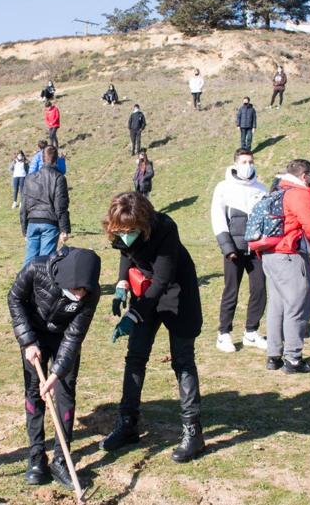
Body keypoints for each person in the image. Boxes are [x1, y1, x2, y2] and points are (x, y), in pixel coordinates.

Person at [100, 192, 205, 463]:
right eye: (119, 232)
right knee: (135, 356)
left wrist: (133, 315)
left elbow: (162, 281)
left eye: (131, 231)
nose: (125, 237)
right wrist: (122, 284)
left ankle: (193, 432)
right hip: (145, 291)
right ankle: (127, 424)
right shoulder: (125, 233)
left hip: (176, 292)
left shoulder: (166, 229)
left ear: (144, 224)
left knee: (182, 361)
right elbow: (127, 252)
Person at [8, 247, 101, 488]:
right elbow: (15, 298)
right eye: (75, 290)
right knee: (33, 391)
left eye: (84, 291)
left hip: (64, 338)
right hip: (34, 335)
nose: (80, 296)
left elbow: (74, 336)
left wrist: (56, 374)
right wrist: (27, 341)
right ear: (64, 280)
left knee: (65, 392)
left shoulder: (91, 293)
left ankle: (62, 460)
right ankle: (37, 456)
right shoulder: (36, 269)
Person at [255, 159, 310, 373]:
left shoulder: (277, 191)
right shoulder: (298, 193)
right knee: (297, 304)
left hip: (270, 254)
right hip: (289, 254)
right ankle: (293, 358)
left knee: (277, 305)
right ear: (304, 175)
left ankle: (273, 355)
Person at [209, 148, 268, 353]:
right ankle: (224, 333)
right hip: (234, 249)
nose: (248, 165)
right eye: (244, 162)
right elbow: (218, 218)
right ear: (235, 164)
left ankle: (251, 331)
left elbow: (267, 219)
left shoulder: (261, 189)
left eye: (250, 161)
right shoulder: (224, 187)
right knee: (231, 290)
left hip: (257, 249)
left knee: (259, 290)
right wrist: (227, 247)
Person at [20, 146, 70, 266]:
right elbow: (61, 206)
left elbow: (24, 205)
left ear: (42, 159)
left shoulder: (29, 178)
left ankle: (22, 284)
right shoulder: (59, 178)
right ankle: (38, 284)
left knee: (29, 261)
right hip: (49, 223)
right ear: (56, 160)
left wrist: (24, 228)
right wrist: (64, 229)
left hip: (32, 222)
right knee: (44, 261)